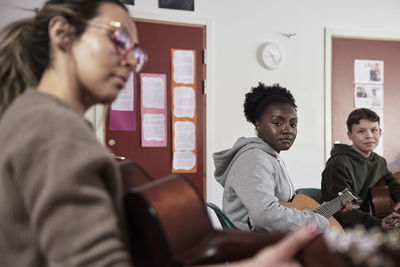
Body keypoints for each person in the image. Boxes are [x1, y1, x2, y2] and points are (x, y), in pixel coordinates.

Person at [0, 1, 316, 266]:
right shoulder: (55, 131)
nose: (129, 62)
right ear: (62, 34)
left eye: (136, 53)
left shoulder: (32, 118)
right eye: (118, 40)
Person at [213, 82, 341, 234]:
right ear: (258, 125)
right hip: (254, 247)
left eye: (293, 124)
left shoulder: (269, 156)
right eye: (277, 123)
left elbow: (289, 207)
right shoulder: (253, 159)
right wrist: (320, 222)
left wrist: (330, 210)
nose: (287, 130)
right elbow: (265, 216)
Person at [321, 108, 400, 231]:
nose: (369, 136)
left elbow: (393, 185)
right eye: (361, 131)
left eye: (373, 130)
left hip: (367, 223)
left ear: (380, 132)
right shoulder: (338, 163)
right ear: (350, 135)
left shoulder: (379, 162)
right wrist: (377, 224)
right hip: (340, 227)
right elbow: (342, 211)